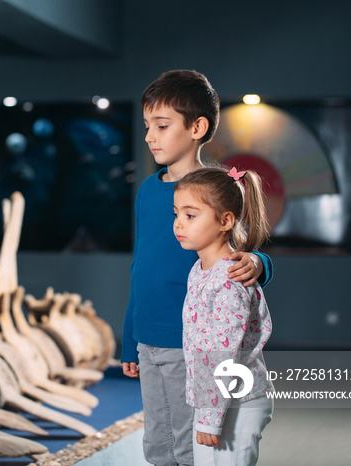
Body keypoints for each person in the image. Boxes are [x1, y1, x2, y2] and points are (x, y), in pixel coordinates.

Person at [120, 69, 273, 466]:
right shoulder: (148, 191)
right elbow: (141, 267)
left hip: (190, 343)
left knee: (192, 444)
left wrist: (259, 262)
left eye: (162, 125)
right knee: (157, 441)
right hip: (147, 338)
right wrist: (129, 334)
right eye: (147, 126)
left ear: (197, 127)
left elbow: (242, 253)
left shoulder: (214, 191)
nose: (150, 135)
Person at [173, 167, 274, 465]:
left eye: (190, 215)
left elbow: (221, 355)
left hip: (238, 403)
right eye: (176, 214)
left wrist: (208, 416)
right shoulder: (199, 270)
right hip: (219, 401)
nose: (179, 224)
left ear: (225, 221)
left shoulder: (228, 281)